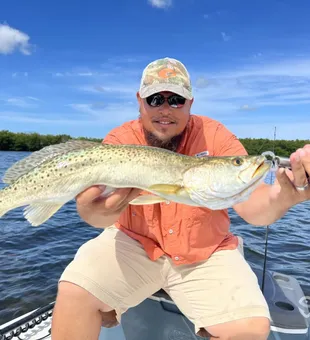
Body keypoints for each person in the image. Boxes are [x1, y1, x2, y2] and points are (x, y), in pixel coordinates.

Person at [51, 57, 310, 340]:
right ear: (140, 101)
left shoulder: (215, 136)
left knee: (250, 329)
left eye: (175, 99)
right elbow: (96, 217)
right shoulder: (120, 139)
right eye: (155, 99)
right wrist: (91, 208)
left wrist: (285, 197)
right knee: (74, 291)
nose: (165, 109)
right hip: (133, 242)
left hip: (205, 250)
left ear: (190, 103)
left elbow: (253, 209)